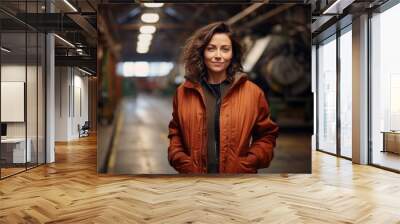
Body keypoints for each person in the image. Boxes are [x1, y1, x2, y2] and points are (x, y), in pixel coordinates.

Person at [168, 21, 279, 174]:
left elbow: (267, 135)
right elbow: (176, 132)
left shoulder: (253, 93)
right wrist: (180, 159)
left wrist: (250, 162)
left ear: (233, 54)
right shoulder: (183, 92)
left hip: (237, 182)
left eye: (225, 49)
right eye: (211, 49)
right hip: (194, 180)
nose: (218, 56)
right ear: (201, 52)